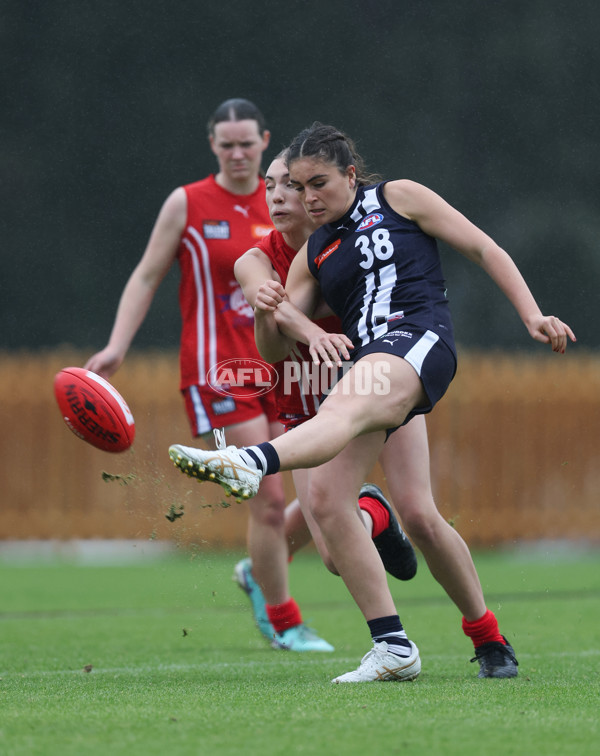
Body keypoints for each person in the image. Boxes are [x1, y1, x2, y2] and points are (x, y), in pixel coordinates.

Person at [168, 122, 576, 683]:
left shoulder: (399, 195)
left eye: (316, 184)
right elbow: (274, 351)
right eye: (289, 187)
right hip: (366, 371)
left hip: (415, 341)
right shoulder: (310, 253)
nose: (304, 197)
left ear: (350, 175)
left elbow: (483, 246)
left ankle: (252, 461)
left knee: (349, 417)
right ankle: (424, 644)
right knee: (369, 509)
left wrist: (531, 313)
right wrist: (268, 311)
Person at [84, 100, 333, 652]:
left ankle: (258, 571)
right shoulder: (189, 203)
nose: (238, 153)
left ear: (265, 141)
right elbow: (147, 275)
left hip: (284, 366)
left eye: (247, 143)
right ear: (213, 145)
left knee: (321, 499)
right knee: (268, 498)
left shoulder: (290, 200)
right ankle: (283, 619)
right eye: (227, 144)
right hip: (219, 371)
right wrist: (117, 346)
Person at [233, 151, 418, 584]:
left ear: (316, 191)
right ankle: (372, 511)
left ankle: (483, 635)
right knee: (334, 558)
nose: (276, 197)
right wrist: (300, 329)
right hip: (308, 392)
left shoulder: (352, 241)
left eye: (289, 186)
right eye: (269, 187)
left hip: (377, 378)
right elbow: (274, 345)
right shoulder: (255, 260)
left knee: (421, 514)